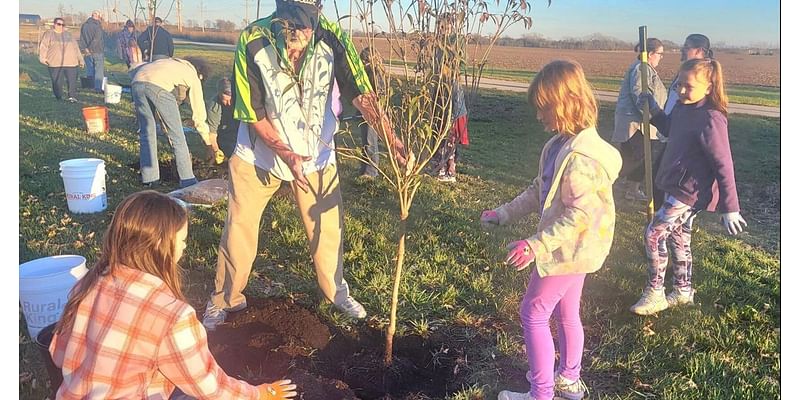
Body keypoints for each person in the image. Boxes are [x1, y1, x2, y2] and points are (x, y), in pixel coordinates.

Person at [202, 0, 407, 330]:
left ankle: (337, 294)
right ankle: (224, 298)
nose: (301, 36)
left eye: (308, 27)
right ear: (280, 20)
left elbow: (361, 93)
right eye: (294, 30)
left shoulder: (332, 35)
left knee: (327, 229)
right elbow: (253, 112)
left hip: (317, 153)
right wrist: (286, 154)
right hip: (259, 154)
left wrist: (392, 138)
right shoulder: (252, 40)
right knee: (239, 227)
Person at [49, 191, 298, 399]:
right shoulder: (172, 315)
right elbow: (208, 385)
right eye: (182, 240)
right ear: (160, 246)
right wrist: (260, 394)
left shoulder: (86, 284)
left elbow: (58, 354)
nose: (185, 246)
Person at [481, 60, 621, 400]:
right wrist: (503, 213)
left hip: (569, 251)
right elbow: (538, 190)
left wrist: (535, 245)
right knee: (567, 310)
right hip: (582, 250)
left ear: (565, 103)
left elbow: (579, 216)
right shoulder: (560, 145)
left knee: (533, 312)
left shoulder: (580, 159)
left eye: (544, 108)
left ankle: (540, 394)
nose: (539, 116)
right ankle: (569, 380)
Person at [630, 58, 747, 316]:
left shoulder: (711, 118)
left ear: (709, 87)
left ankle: (655, 292)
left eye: (689, 86)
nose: (681, 91)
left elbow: (723, 163)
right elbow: (672, 129)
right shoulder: (685, 108)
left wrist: (731, 207)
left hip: (690, 191)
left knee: (653, 233)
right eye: (679, 85)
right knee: (679, 237)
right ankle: (683, 290)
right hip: (675, 184)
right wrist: (655, 111)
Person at [652, 34, 714, 210]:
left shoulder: (705, 75)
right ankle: (668, 218)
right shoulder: (685, 70)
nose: (682, 49)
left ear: (700, 51)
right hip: (672, 129)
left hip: (684, 137)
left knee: (664, 179)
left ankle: (665, 219)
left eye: (687, 47)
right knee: (659, 176)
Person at [130, 57, 212, 188]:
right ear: (200, 74)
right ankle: (188, 180)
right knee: (178, 137)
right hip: (157, 86)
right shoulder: (192, 75)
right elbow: (199, 115)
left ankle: (149, 179)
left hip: (137, 82)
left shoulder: (171, 63)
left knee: (147, 133)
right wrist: (208, 144)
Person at [611, 38, 667, 202]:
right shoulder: (641, 69)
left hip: (643, 124)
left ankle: (631, 190)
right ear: (650, 54)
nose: (661, 57)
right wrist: (653, 117)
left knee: (640, 157)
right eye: (660, 54)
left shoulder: (646, 69)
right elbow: (640, 95)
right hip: (635, 124)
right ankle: (606, 183)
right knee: (637, 157)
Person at [39, 17, 84, 102]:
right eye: (59, 24)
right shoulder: (49, 34)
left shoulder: (68, 35)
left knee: (72, 81)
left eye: (63, 25)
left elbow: (76, 48)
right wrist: (42, 58)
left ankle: (72, 96)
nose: (61, 26)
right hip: (55, 63)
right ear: (54, 25)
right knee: (57, 82)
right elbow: (43, 47)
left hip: (71, 62)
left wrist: (81, 59)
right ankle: (58, 96)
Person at [357, 47, 385, 179]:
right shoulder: (367, 73)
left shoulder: (374, 74)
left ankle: (371, 171)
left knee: (370, 141)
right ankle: (364, 168)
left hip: (371, 112)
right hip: (365, 111)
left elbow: (377, 94)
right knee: (366, 141)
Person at [205, 77, 237, 164]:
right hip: (223, 132)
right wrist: (215, 150)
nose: (229, 103)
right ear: (219, 94)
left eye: (231, 99)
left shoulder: (241, 101)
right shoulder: (214, 106)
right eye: (225, 100)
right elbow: (212, 133)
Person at [78, 10, 106, 92]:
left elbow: (81, 39)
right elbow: (96, 39)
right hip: (97, 51)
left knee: (90, 69)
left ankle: (90, 86)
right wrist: (90, 48)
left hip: (87, 51)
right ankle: (97, 88)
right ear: (97, 16)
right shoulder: (98, 26)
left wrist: (84, 49)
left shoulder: (84, 25)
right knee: (99, 70)